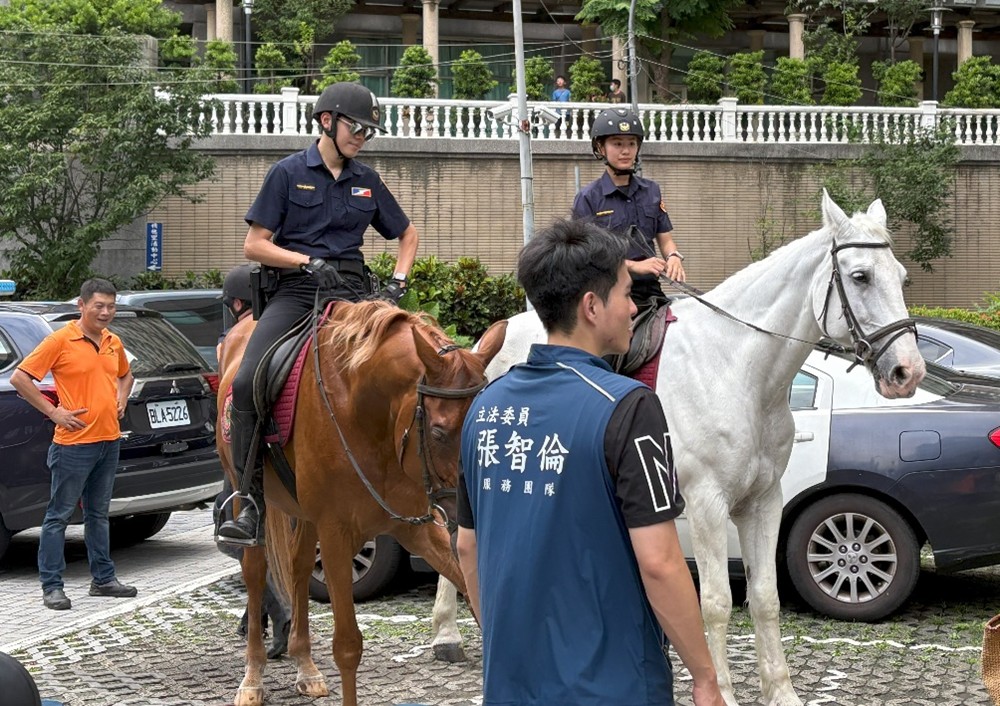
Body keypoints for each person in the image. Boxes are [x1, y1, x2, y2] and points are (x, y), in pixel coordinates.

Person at [456, 219, 724, 706]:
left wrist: (504, 641)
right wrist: (705, 677)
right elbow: (660, 562)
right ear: (592, 306)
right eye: (626, 293)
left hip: (509, 682)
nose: (634, 307)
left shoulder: (485, 406)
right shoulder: (629, 406)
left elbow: (468, 550)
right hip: (613, 685)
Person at [217, 81, 419, 546]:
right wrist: (307, 262)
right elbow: (255, 245)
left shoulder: (367, 180)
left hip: (351, 293)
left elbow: (407, 235)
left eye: (369, 131)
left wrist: (397, 284)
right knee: (248, 379)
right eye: (356, 126)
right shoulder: (287, 173)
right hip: (294, 291)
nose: (362, 137)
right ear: (326, 120)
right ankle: (246, 500)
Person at [11, 278, 137, 611]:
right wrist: (54, 412)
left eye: (111, 306)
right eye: (99, 305)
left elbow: (126, 375)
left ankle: (104, 579)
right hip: (73, 444)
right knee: (59, 515)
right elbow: (20, 378)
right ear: (81, 306)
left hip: (109, 441)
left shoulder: (113, 341)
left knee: (99, 514)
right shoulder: (60, 340)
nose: (106, 312)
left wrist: (121, 400)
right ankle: (52, 586)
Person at [214, 264, 291, 658]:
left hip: (244, 455)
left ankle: (280, 612)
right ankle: (253, 613)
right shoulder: (285, 330)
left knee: (240, 536)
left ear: (238, 303)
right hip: (282, 450)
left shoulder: (237, 338)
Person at [572, 107, 686, 310]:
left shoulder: (652, 191)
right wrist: (635, 266)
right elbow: (585, 257)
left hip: (651, 291)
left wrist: (674, 257)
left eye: (631, 144)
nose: (626, 151)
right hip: (608, 293)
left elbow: (665, 239)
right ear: (600, 148)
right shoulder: (588, 198)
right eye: (617, 144)